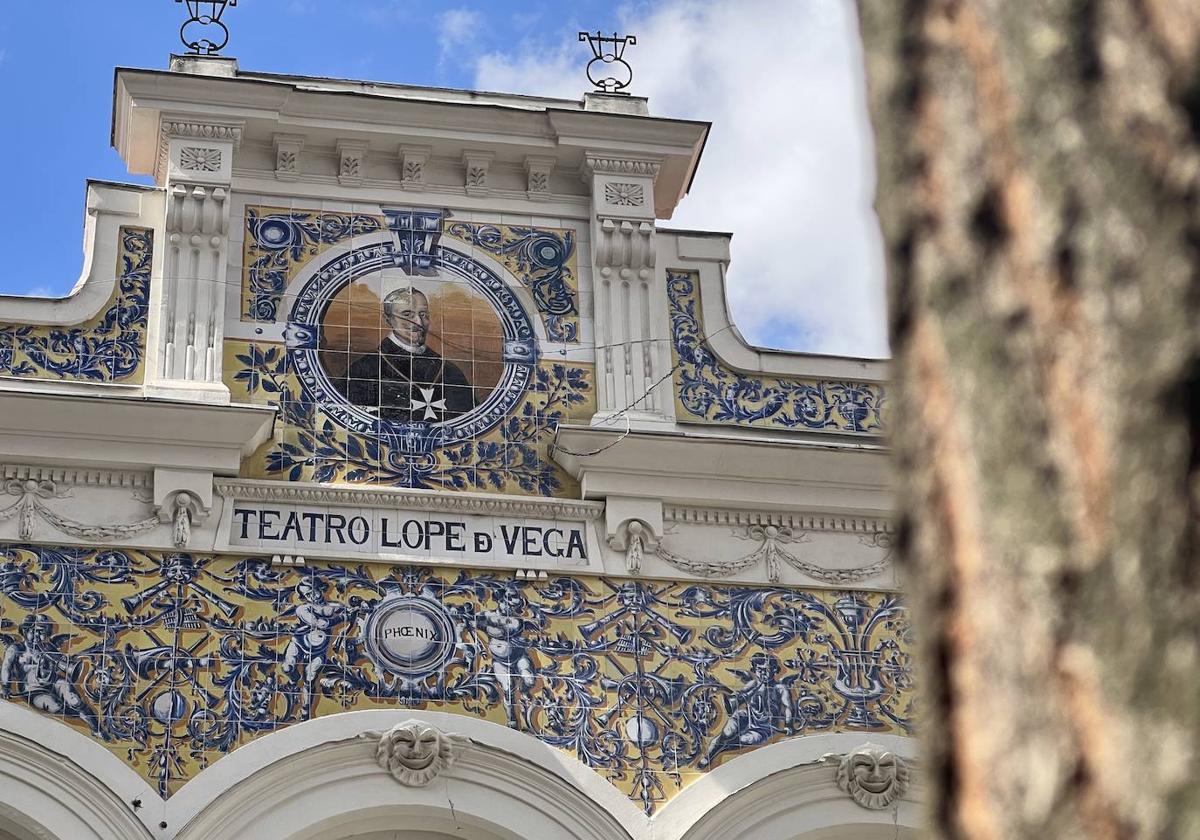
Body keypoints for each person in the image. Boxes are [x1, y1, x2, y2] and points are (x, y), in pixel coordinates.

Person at [340, 287, 475, 422]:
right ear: (387, 320)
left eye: (423, 315)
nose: (418, 323)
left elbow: (469, 419)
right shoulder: (366, 368)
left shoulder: (448, 370)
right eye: (407, 314)